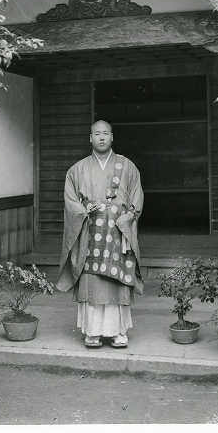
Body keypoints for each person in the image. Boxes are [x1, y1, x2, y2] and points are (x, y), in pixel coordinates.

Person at [56, 120, 144, 348]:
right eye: (97, 134)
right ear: (90, 138)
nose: (102, 137)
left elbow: (136, 197)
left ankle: (117, 333)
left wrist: (128, 217)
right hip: (90, 232)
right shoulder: (77, 170)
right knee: (92, 282)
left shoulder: (127, 166)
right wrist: (84, 210)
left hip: (117, 231)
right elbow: (70, 202)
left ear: (112, 137)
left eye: (106, 133)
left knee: (117, 282)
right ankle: (92, 333)